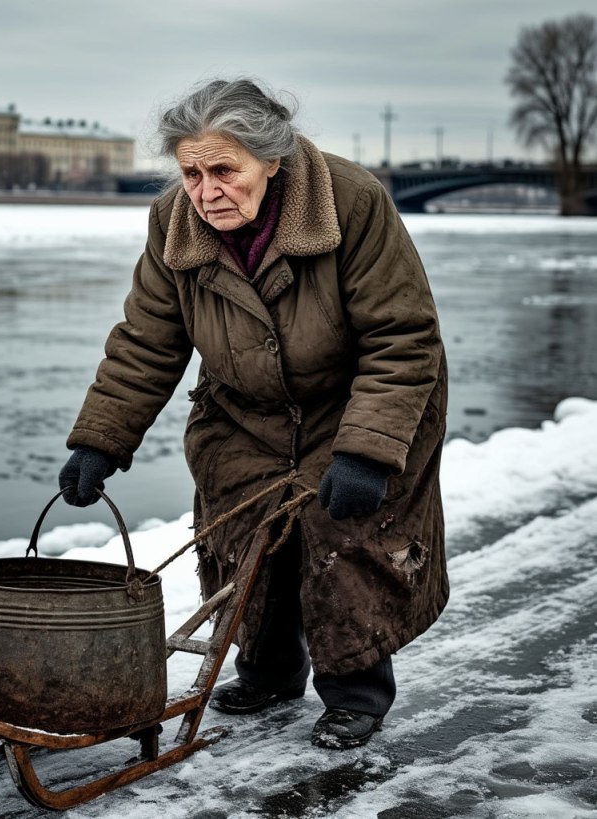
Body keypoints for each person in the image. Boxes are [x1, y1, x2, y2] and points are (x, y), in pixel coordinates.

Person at [58, 78, 448, 750]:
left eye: (222, 170)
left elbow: (402, 337)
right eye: (190, 172)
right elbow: (147, 339)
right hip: (243, 410)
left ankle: (355, 693)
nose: (205, 191)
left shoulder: (350, 202)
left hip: (356, 401)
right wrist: (100, 439)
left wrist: (365, 451)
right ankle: (268, 673)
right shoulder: (173, 223)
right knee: (244, 538)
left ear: (272, 160)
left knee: (340, 537)